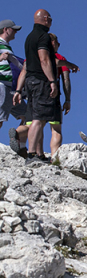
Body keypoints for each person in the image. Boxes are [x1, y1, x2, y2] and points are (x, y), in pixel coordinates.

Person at [12, 10, 59, 164]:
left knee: (35, 118)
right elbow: (44, 59)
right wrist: (52, 81)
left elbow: (25, 67)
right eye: (50, 19)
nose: (51, 21)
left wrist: (19, 90)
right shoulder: (43, 37)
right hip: (41, 82)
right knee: (39, 119)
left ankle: (38, 154)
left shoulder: (29, 37)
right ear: (45, 19)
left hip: (30, 82)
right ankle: (32, 155)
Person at [1, 20, 27, 154]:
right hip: (2, 86)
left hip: (13, 89)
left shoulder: (6, 46)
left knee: (30, 117)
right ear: (6, 29)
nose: (16, 32)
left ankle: (19, 143)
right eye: (14, 29)